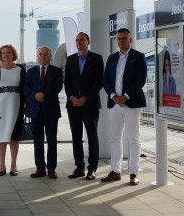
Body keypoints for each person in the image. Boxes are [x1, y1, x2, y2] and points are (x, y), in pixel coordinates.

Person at [101, 28, 147, 186]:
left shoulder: (138, 57)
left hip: (131, 104)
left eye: (124, 38)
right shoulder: (112, 58)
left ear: (130, 40)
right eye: (119, 38)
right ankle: (116, 171)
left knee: (133, 139)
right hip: (114, 104)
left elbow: (141, 80)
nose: (121, 41)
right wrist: (113, 96)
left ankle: (133, 173)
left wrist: (125, 97)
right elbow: (105, 80)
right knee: (114, 138)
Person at [63, 32, 103, 180]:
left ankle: (92, 169)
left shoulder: (97, 59)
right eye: (77, 40)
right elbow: (67, 82)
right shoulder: (70, 59)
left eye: (82, 40)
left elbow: (98, 82)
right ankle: (79, 167)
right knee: (76, 137)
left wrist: (85, 98)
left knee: (92, 136)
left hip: (90, 104)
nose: (79, 42)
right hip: (73, 105)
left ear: (88, 41)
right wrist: (72, 98)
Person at [24, 46, 63, 180]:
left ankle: (52, 169)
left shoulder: (57, 71)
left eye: (45, 54)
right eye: (40, 54)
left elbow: (58, 87)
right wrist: (35, 95)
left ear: (50, 56)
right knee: (37, 141)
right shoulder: (31, 72)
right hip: (35, 111)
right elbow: (25, 87)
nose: (43, 56)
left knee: (52, 140)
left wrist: (43, 94)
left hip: (51, 110)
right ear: (37, 56)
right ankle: (40, 168)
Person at [0, 44, 26, 177]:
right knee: (1, 137)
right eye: (3, 53)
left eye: (8, 52)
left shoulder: (20, 69)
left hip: (16, 104)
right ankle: (2, 165)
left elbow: (24, 88)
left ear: (13, 54)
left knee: (14, 137)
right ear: (0, 55)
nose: (6, 55)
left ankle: (14, 164)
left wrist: (26, 105)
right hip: (0, 105)